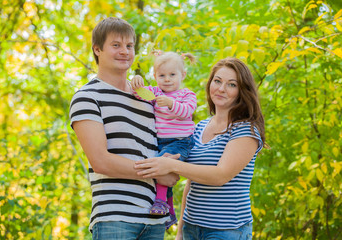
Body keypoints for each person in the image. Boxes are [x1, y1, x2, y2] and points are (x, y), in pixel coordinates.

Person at [69, 17, 179, 240]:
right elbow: (101, 160)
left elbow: (169, 137)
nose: (125, 51)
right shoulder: (87, 97)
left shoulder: (147, 98)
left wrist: (175, 164)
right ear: (97, 49)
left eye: (129, 46)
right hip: (115, 218)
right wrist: (158, 173)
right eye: (116, 45)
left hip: (155, 219)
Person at [134, 57, 265, 239]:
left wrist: (171, 165)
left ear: (242, 91)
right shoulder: (198, 127)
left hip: (226, 230)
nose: (221, 88)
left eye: (231, 84)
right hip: (192, 227)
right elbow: (191, 180)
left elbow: (220, 176)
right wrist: (180, 230)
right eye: (217, 81)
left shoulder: (245, 130)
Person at [131, 51, 197, 229]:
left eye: (172, 75)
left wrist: (169, 103)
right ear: (155, 76)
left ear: (182, 75)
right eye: (162, 75)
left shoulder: (187, 95)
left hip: (181, 141)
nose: (167, 79)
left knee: (160, 167)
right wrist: (137, 82)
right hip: (159, 142)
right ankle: (169, 213)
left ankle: (160, 202)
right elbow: (140, 94)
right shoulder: (156, 92)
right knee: (162, 173)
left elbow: (186, 112)